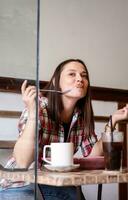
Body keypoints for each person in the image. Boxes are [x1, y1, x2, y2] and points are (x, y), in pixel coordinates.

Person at [0, 59, 128, 200]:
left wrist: (112, 121)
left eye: (84, 75)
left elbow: (91, 155)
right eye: (72, 74)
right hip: (20, 184)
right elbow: (23, 162)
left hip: (57, 184)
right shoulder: (39, 107)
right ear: (56, 82)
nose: (80, 79)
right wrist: (32, 113)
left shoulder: (81, 116)